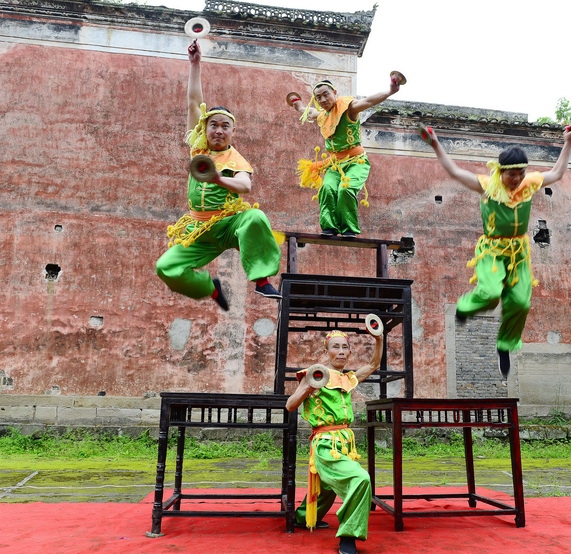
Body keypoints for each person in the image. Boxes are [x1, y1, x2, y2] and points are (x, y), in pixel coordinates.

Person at [422, 123, 571, 379]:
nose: (516, 179)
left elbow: (557, 173)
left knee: (521, 302)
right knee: (492, 293)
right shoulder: (488, 186)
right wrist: (436, 144)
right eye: (511, 175)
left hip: (519, 253)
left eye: (520, 174)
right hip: (492, 250)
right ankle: (465, 308)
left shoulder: (529, 184)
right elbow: (454, 172)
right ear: (501, 172)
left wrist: (568, 142)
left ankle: (505, 344)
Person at [156, 40, 282, 309]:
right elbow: (193, 103)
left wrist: (217, 179)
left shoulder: (236, 159)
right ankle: (209, 288)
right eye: (213, 125)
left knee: (256, 217)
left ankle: (262, 280)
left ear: (232, 132)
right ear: (206, 129)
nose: (219, 130)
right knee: (165, 267)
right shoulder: (198, 148)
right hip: (199, 230)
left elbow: (245, 186)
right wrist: (195, 64)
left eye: (225, 126)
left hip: (228, 225)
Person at [285, 329, 384, 554]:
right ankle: (348, 535)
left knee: (326, 488)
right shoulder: (315, 374)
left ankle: (301, 517)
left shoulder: (347, 378)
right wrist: (309, 386)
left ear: (349, 353)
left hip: (345, 443)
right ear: (326, 351)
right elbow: (290, 405)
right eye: (335, 347)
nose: (340, 351)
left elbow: (373, 365)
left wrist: (379, 338)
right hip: (325, 444)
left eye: (344, 347)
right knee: (360, 479)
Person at [288, 75, 403, 237]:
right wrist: (297, 103)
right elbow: (306, 111)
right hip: (335, 164)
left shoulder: (349, 108)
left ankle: (349, 228)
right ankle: (329, 228)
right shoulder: (322, 115)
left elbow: (369, 101)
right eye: (318, 97)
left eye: (326, 94)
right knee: (327, 188)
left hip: (356, 162)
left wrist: (390, 91)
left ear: (335, 93)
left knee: (345, 189)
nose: (322, 99)